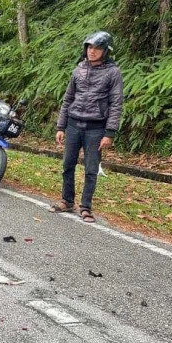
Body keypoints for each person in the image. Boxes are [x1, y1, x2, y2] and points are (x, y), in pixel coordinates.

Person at [50, 31, 124, 223]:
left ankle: (86, 207)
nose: (92, 51)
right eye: (90, 47)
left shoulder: (112, 72)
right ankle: (67, 200)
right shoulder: (78, 69)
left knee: (91, 169)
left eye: (97, 48)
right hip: (74, 124)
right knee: (67, 165)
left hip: (96, 128)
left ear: (106, 50)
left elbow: (116, 103)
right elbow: (68, 99)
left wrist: (109, 133)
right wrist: (61, 126)